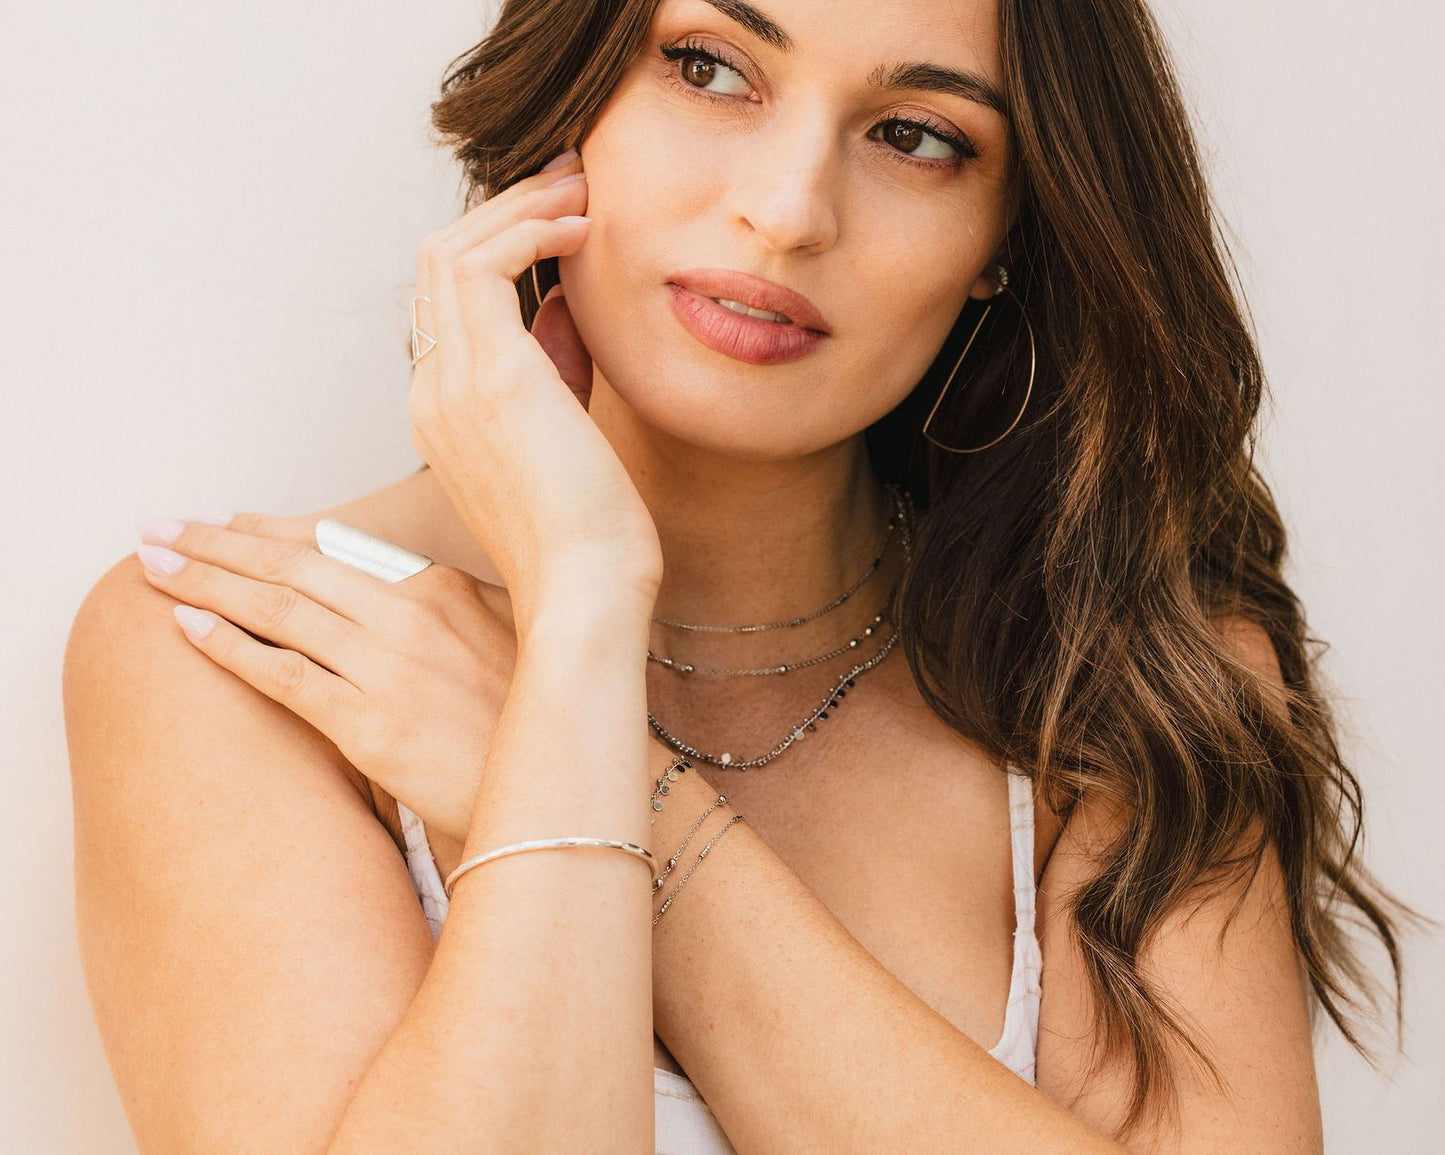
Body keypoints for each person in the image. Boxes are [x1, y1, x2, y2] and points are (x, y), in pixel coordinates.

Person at [63, 0, 1419, 1150]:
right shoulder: (246, 653)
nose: (783, 212)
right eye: (708, 68)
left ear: (1007, 237)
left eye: (916, 137)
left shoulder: (1132, 687)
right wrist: (589, 591)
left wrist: (608, 779)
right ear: (572, 96)